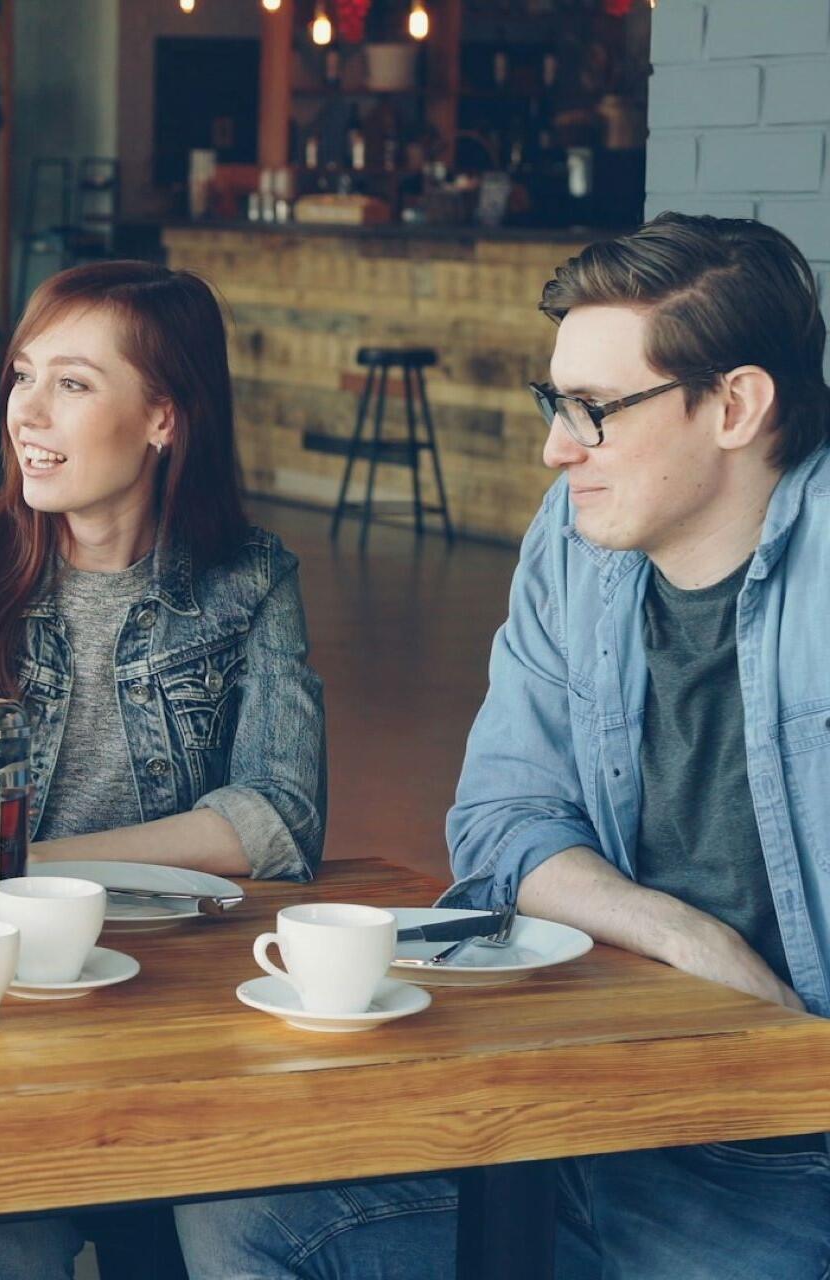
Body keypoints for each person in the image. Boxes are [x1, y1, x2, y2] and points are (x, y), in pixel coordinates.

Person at [175, 213, 830, 1278]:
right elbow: (502, 819)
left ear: (738, 405)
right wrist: (688, 941)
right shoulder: (573, 539)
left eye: (596, 410)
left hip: (784, 1140)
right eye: (554, 401)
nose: (555, 446)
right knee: (250, 1212)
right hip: (587, 1092)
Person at [0, 259, 328, 1278]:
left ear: (164, 419)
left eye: (75, 383)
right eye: (22, 374)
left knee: (224, 1222)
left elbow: (279, 823)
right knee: (3, 1233)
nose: (28, 411)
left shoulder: (248, 581)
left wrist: (23, 862)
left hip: (173, 1020)